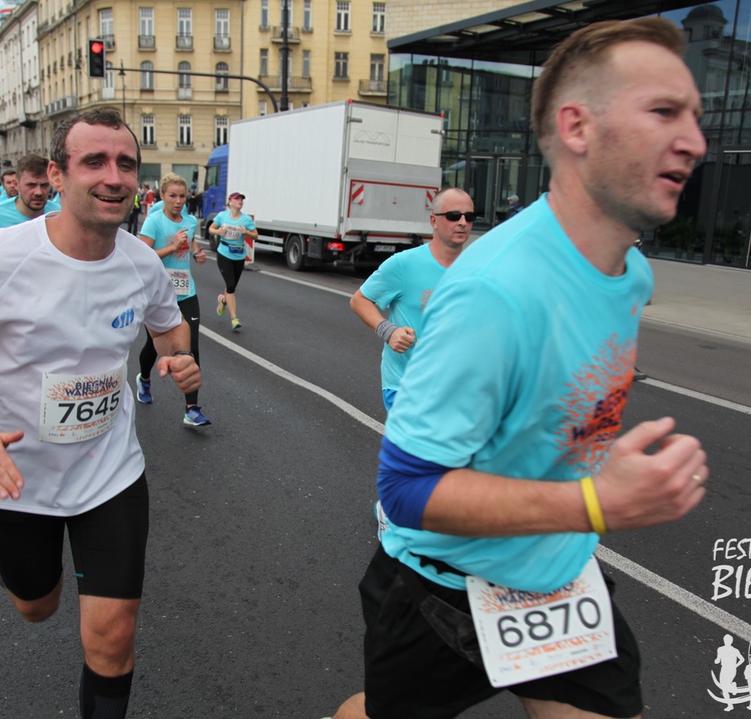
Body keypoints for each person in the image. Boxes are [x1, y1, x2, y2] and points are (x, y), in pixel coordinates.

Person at [330, 18, 709, 719]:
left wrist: (595, 486)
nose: (694, 140)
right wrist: (596, 503)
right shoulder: (492, 290)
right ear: (577, 127)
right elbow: (406, 488)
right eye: (663, 111)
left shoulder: (632, 276)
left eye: (694, 115)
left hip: (559, 577)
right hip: (445, 588)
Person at [0, 107, 199, 719]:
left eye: (125, 164)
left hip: (110, 473)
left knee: (112, 636)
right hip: (15, 479)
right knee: (36, 606)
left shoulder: (141, 261)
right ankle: (22, 576)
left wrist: (177, 358)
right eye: (94, 162)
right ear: (57, 175)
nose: (113, 177)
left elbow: (168, 327)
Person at [349, 188, 473, 411]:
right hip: (406, 387)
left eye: (469, 216)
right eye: (454, 215)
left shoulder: (476, 270)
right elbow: (359, 300)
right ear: (434, 221)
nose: (463, 222)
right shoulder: (404, 264)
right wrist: (389, 332)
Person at [136, 172, 211, 427]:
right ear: (162, 196)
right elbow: (141, 256)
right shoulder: (154, 221)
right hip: (159, 294)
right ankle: (144, 379)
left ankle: (192, 409)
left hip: (185, 291)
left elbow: (191, 244)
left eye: (182, 196)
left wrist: (197, 254)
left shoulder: (189, 221)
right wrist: (172, 246)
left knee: (191, 348)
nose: (178, 201)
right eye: (172, 196)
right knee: (152, 345)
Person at [0, 154, 59, 251]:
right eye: (31, 185)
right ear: (17, 184)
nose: (38, 192)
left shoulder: (59, 213)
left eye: (44, 185)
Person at [208, 191, 257, 332]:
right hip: (224, 253)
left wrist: (246, 232)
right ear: (230, 202)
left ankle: (223, 300)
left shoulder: (246, 219)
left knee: (232, 287)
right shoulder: (222, 216)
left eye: (242, 199)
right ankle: (234, 318)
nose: (240, 201)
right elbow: (211, 229)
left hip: (239, 255)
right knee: (230, 285)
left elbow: (255, 235)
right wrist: (218, 232)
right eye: (237, 199)